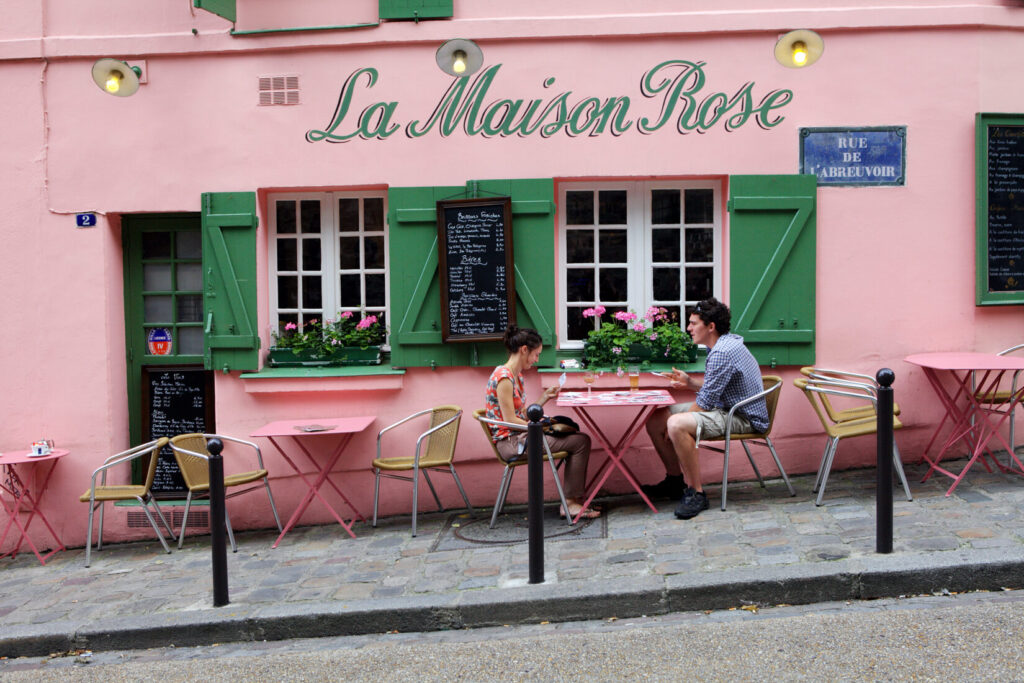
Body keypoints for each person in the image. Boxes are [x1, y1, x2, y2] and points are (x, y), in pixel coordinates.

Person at [643, 297, 768, 520]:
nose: (688, 328)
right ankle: (674, 481)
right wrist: (690, 383)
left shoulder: (722, 352)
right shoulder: (722, 344)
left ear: (711, 326)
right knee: (656, 419)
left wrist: (673, 430)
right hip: (727, 407)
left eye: (693, 323)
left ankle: (697, 493)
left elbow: (705, 403)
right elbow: (715, 390)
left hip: (742, 416)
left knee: (675, 424)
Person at [485, 324, 598, 520]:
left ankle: (571, 500)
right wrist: (541, 428)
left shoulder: (515, 376)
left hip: (520, 437)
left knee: (574, 436)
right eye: (536, 354)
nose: (537, 359)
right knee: (580, 442)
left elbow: (524, 414)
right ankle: (570, 503)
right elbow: (510, 420)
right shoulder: (504, 378)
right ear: (524, 350)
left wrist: (544, 397)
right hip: (511, 443)